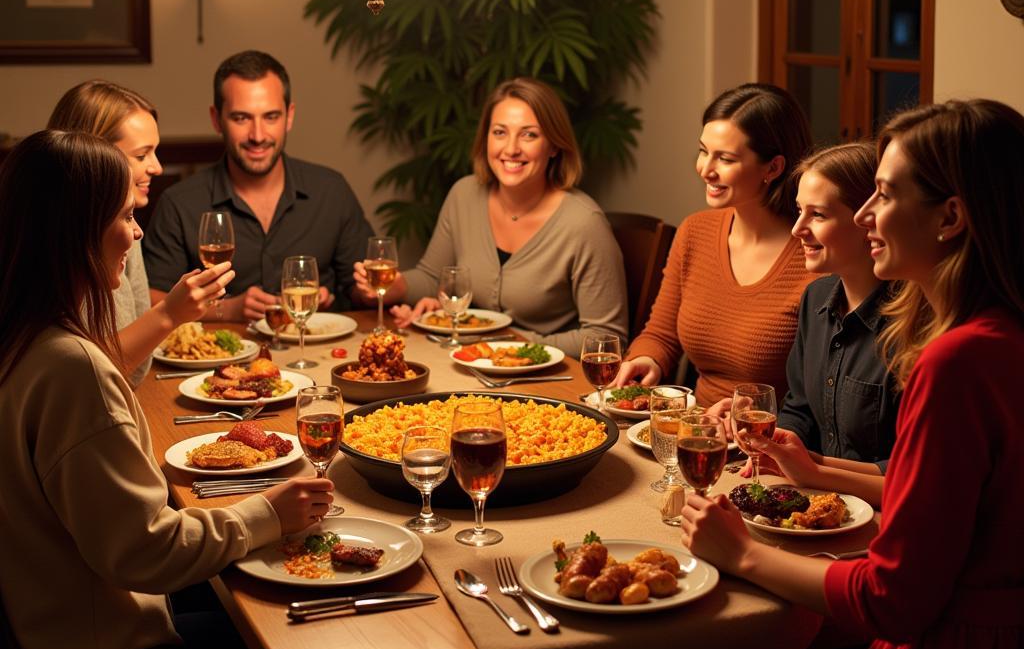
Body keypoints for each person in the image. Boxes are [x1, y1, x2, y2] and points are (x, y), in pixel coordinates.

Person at [681, 99, 1024, 649]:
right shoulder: (998, 335)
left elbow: (895, 599)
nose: (866, 215)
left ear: (951, 216)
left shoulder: (957, 362)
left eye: (884, 196)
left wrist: (742, 554)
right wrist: (812, 468)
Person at [0, 129, 332, 649]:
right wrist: (269, 513)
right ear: (76, 227)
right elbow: (145, 550)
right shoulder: (68, 367)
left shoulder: (22, 343)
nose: (137, 232)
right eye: (125, 216)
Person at [352, 77, 628, 358]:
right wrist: (398, 286)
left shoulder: (584, 223)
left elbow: (606, 338)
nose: (510, 149)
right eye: (499, 132)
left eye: (529, 134)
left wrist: (503, 344)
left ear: (555, 145)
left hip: (550, 382)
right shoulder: (464, 194)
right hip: (476, 367)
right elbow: (432, 277)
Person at [716, 142, 898, 508]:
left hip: (879, 514)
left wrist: (809, 466)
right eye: (800, 211)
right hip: (813, 500)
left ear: (868, 220)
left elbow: (909, 471)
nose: (798, 228)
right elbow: (798, 408)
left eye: (818, 215)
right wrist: (774, 443)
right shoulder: (816, 298)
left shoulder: (908, 324)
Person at [614, 83, 816, 406]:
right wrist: (648, 359)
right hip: (694, 432)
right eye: (703, 151)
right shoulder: (696, 231)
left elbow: (817, 399)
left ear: (773, 167)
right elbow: (661, 336)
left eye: (725, 158)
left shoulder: (813, 254)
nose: (706, 169)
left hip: (767, 442)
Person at [143, 51, 374, 321]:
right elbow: (150, 299)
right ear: (217, 119)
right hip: (223, 360)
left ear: (289, 116)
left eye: (271, 117)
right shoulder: (179, 203)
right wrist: (226, 310)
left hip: (318, 355)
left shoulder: (331, 190)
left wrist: (341, 297)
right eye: (241, 118)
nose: (258, 135)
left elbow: (363, 288)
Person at [47, 80, 233, 385]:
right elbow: (78, 377)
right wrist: (168, 314)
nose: (157, 167)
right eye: (141, 155)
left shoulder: (127, 232)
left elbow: (132, 369)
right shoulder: (59, 248)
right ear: (93, 153)